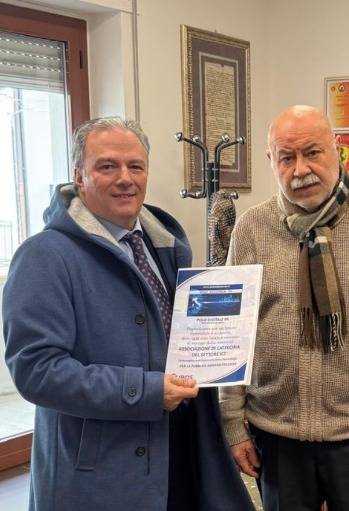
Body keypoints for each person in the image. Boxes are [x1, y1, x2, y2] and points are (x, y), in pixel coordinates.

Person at [3, 117, 253, 511]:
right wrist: (146, 392)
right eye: (107, 166)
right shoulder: (43, 257)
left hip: (180, 452)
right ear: (79, 176)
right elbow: (37, 371)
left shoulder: (163, 248)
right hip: (103, 475)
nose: (125, 178)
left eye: (135, 166)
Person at [220, 105, 349, 510]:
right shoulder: (251, 228)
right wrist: (232, 423)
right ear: (271, 160)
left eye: (313, 153)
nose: (301, 170)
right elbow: (232, 331)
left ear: (337, 149)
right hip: (276, 434)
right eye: (286, 158)